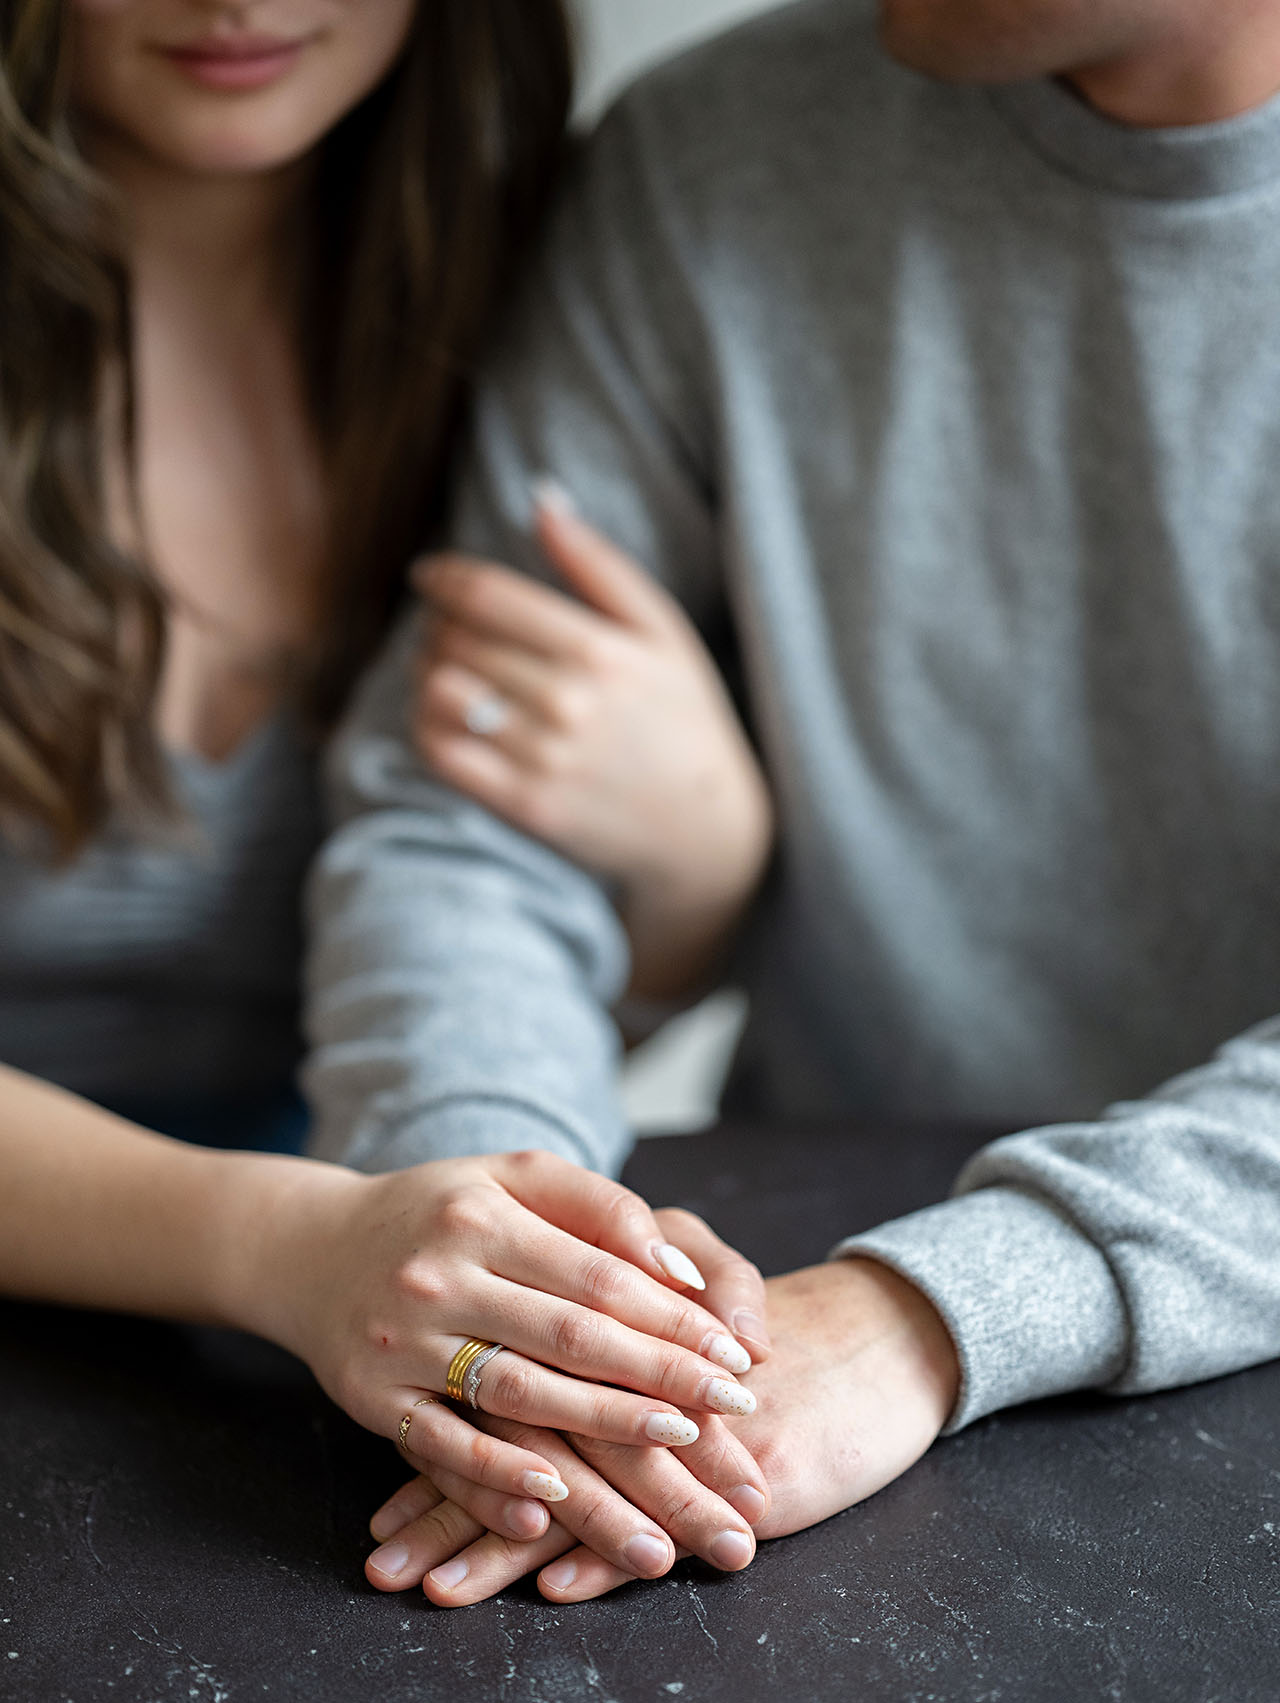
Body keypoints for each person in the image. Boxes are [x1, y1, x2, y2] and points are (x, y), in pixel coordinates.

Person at [327, 0, 1280, 1604]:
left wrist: (932, 1312)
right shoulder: (712, 159)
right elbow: (467, 822)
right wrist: (524, 1268)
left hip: (954, 1351)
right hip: (743, 1352)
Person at [0, 0, 780, 1585]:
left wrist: (709, 862)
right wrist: (281, 1243)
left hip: (356, 1313)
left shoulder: (533, 299)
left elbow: (509, 978)